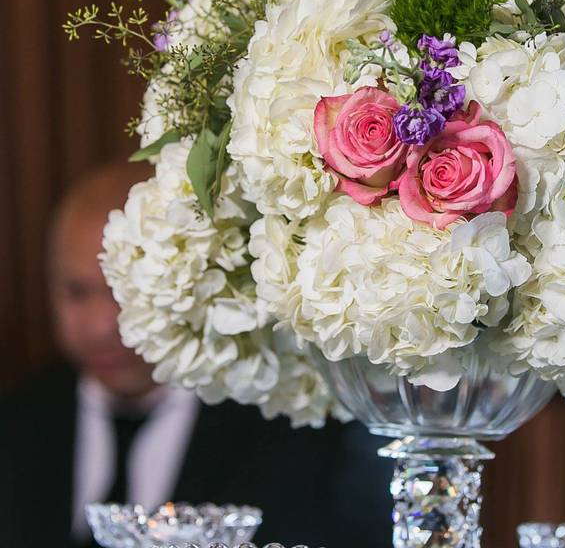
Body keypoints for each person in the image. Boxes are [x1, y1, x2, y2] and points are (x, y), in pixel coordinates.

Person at [0, 161, 394, 548]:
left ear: (185, 281)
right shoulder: (17, 423)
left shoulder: (294, 435)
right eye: (76, 291)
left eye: (122, 291)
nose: (101, 325)